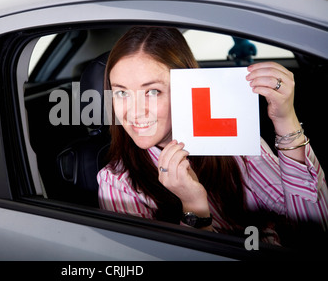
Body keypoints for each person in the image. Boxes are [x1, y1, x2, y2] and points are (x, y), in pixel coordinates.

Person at [97, 26, 328, 245]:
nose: (135, 111)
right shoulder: (117, 182)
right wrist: (194, 208)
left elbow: (313, 230)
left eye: (153, 91)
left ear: (187, 86)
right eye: (122, 92)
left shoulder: (235, 143)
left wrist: (285, 118)